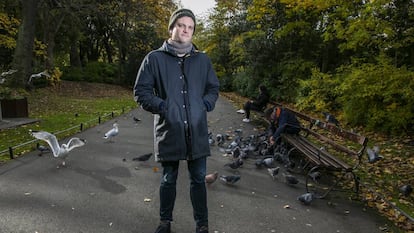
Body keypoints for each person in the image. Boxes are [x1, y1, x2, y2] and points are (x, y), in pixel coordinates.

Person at [133, 8, 219, 233]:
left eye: (190, 27)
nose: (186, 30)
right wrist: (164, 107)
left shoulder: (202, 60)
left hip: (197, 130)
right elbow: (141, 92)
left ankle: (202, 225)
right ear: (171, 28)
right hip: (169, 130)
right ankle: (165, 222)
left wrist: (205, 105)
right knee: (168, 179)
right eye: (181, 25)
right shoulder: (154, 59)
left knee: (199, 179)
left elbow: (213, 88)